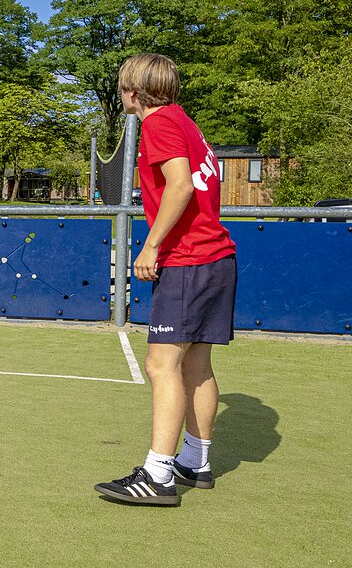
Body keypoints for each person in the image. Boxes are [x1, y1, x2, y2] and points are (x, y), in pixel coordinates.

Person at [95, 54, 238, 506]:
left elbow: (180, 186)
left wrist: (152, 245)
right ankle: (196, 461)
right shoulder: (186, 122)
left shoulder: (158, 125)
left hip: (188, 260)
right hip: (215, 259)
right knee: (196, 366)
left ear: (134, 92)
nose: (121, 96)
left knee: (162, 365)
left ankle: (158, 474)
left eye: (121, 89)